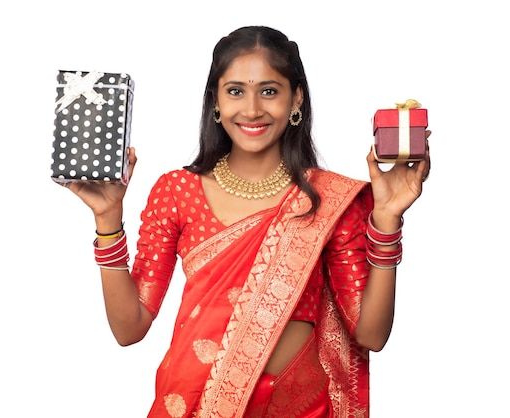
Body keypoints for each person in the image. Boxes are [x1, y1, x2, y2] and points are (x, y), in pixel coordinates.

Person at [60, 25, 431, 418]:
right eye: (235, 90)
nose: (252, 109)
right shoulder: (177, 190)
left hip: (301, 408)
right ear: (215, 101)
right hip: (197, 404)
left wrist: (387, 220)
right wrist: (107, 219)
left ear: (296, 99)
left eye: (269, 91)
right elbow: (128, 328)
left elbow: (371, 334)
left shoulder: (328, 199)